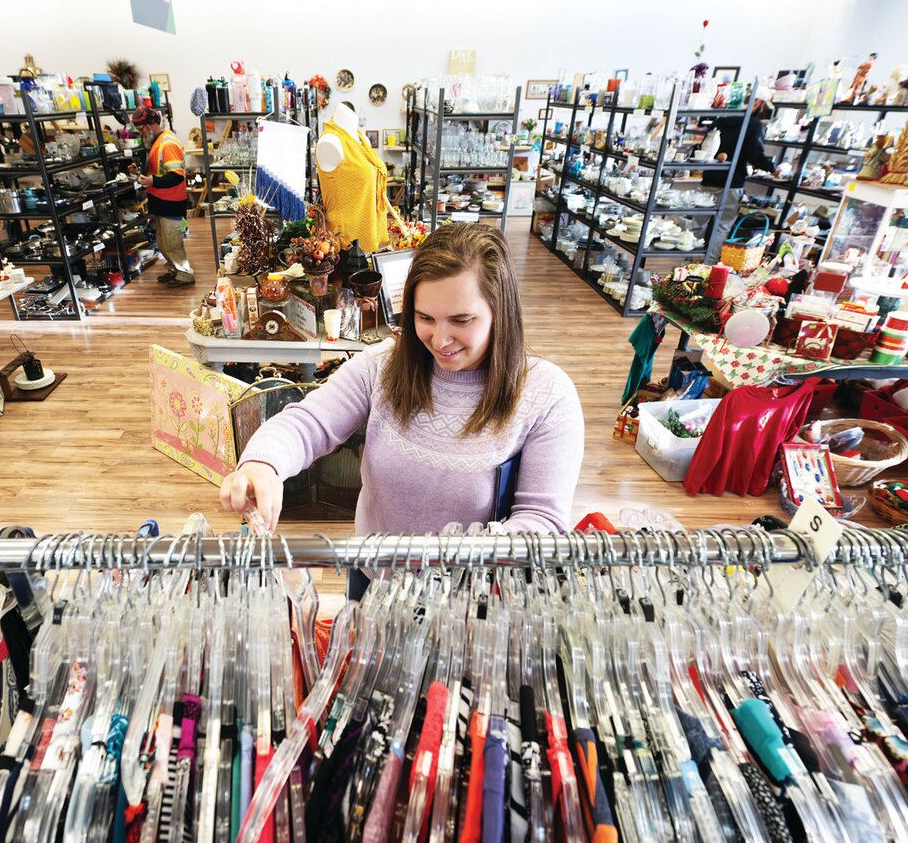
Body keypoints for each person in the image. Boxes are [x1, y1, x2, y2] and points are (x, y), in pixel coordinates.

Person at [220, 222, 585, 537]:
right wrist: (262, 464)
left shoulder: (546, 394)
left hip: (476, 600)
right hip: (374, 582)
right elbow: (307, 423)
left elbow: (542, 521)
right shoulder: (382, 366)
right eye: (425, 318)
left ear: (500, 311)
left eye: (461, 321)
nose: (440, 341)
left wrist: (457, 560)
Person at [132, 104, 194, 289]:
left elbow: (176, 175)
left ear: (151, 124)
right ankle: (173, 269)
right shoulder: (157, 142)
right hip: (161, 200)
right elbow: (157, 170)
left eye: (141, 129)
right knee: (163, 240)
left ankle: (184, 274)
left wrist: (153, 182)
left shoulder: (167, 143)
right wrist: (140, 174)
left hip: (171, 200)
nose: (140, 133)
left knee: (172, 240)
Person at [702, 96, 775, 191]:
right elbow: (755, 155)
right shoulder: (753, 125)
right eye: (763, 107)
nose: (762, 111)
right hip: (732, 182)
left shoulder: (719, 121)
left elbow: (704, 147)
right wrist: (772, 168)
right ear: (757, 103)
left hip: (709, 179)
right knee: (725, 205)